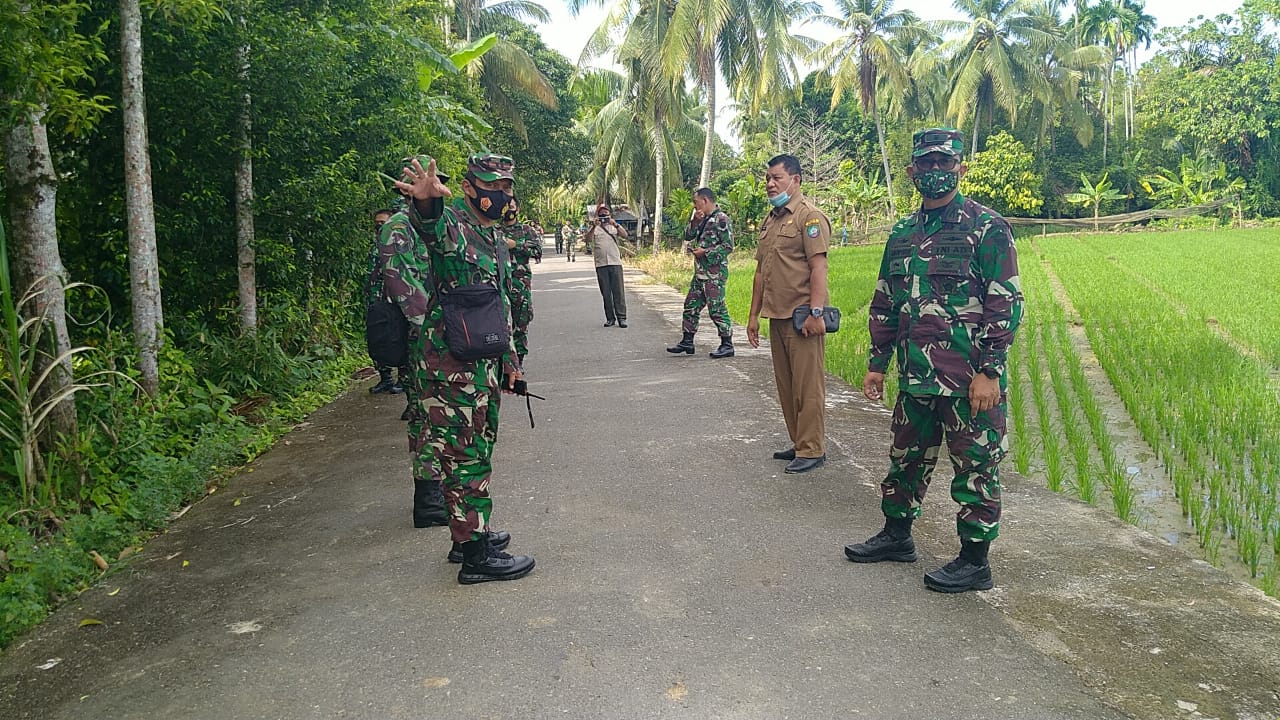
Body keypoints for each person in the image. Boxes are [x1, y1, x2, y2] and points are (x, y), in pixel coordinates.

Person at [844, 127, 1023, 594]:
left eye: (945, 162)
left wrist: (990, 370)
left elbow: (1005, 302)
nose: (936, 171)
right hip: (916, 376)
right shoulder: (903, 233)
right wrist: (878, 362)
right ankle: (896, 535)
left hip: (968, 380)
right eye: (927, 163)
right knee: (905, 458)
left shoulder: (987, 227)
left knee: (976, 468)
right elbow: (886, 300)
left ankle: (974, 561)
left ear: (961, 168)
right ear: (912, 171)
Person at [384, 153, 535, 584]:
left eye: (506, 187)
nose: (502, 194)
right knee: (464, 457)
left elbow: (497, 306)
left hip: (481, 363)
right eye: (493, 186)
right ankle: (475, 557)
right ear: (468, 188)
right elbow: (430, 225)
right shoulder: (452, 224)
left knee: (477, 451)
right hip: (451, 367)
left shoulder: (490, 235)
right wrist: (426, 202)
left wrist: (510, 362)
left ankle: (468, 534)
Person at [746, 154, 832, 475]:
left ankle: (812, 449)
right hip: (777, 315)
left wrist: (816, 312)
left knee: (807, 387)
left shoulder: (809, 218)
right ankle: (799, 442)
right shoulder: (771, 220)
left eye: (777, 178)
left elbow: (818, 268)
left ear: (795, 180)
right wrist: (753, 316)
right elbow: (760, 272)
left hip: (802, 318)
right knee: (786, 385)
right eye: (767, 178)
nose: (770, 184)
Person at [667, 187, 735, 359]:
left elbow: (728, 246)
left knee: (716, 309)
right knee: (691, 305)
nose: (695, 206)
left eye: (696, 203)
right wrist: (695, 222)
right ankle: (687, 341)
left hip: (714, 274)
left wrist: (706, 252)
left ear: (705, 201)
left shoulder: (721, 219)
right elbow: (687, 236)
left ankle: (727, 344)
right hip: (700, 273)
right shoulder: (701, 218)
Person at [366, 207, 407, 396]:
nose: (379, 227)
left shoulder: (400, 243)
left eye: (383, 223)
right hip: (376, 299)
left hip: (396, 300)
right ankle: (385, 377)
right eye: (377, 224)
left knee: (399, 337)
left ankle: (404, 379)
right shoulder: (375, 245)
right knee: (377, 338)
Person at [502, 197, 542, 363]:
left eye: (511, 206)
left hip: (520, 282)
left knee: (521, 322)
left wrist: (516, 245)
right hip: (499, 282)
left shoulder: (526, 230)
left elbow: (537, 251)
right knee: (499, 323)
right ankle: (504, 361)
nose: (508, 209)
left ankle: (519, 360)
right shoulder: (493, 229)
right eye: (505, 206)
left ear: (517, 209)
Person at [585, 204, 629, 327]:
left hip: (615, 262)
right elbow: (587, 239)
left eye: (606, 214)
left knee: (618, 292)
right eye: (601, 215)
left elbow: (625, 235)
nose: (604, 217)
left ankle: (622, 318)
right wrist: (594, 226)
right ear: (598, 216)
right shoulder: (595, 229)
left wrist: (615, 224)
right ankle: (610, 318)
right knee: (606, 293)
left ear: (610, 215)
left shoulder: (614, 227)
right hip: (601, 264)